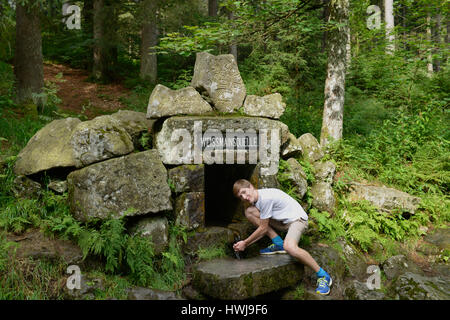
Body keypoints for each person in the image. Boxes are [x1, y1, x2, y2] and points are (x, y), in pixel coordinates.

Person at [232, 179, 332, 296]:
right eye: (240, 196)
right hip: (283, 221)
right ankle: (278, 243)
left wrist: (245, 243)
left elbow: (263, 229)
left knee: (290, 247)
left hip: (298, 220)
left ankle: (323, 275)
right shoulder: (257, 199)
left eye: (244, 192)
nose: (244, 197)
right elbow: (263, 224)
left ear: (251, 186)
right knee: (250, 211)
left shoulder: (266, 198)